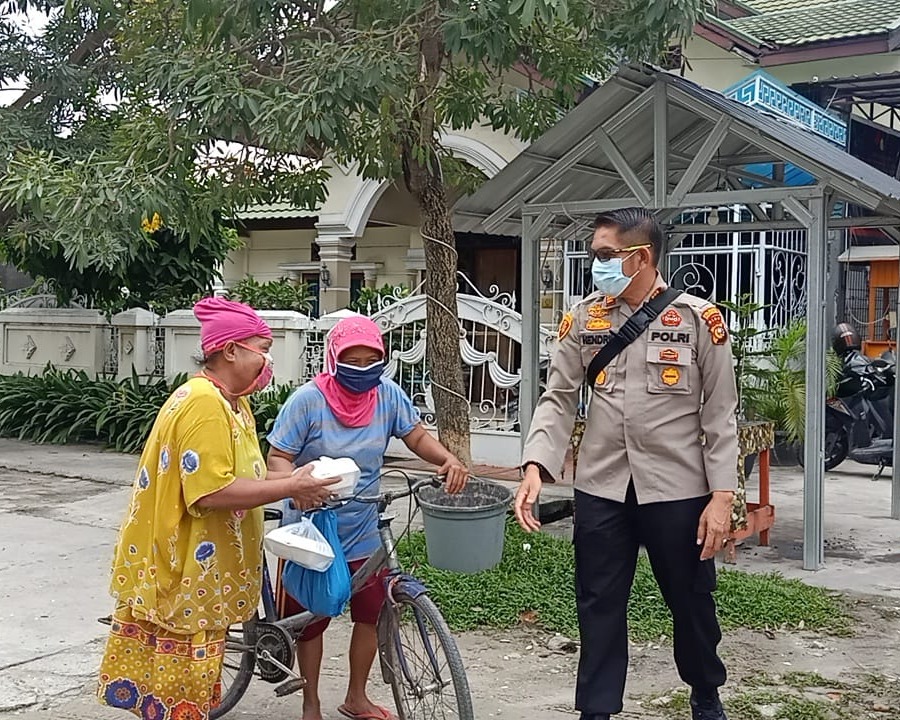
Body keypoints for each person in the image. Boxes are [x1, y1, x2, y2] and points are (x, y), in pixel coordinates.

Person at [513, 208, 739, 720]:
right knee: (598, 603)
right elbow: (558, 398)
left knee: (691, 601)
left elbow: (721, 415)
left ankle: (705, 690)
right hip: (603, 485)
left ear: (640, 258)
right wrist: (535, 466)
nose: (596, 266)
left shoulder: (700, 321)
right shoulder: (584, 318)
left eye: (604, 256)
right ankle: (596, 710)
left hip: (678, 489)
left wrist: (721, 498)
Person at [97, 297, 339, 720]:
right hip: (186, 571)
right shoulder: (203, 404)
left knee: (193, 689)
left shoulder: (233, 402)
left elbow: (247, 473)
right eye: (262, 350)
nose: (267, 362)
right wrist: (288, 486)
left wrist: (297, 484)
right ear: (230, 350)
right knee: (180, 696)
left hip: (206, 575)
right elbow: (210, 492)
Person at [266, 315, 469, 720]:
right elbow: (277, 458)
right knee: (312, 620)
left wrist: (446, 458)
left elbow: (415, 436)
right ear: (333, 358)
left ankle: (356, 696)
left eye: (370, 360)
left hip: (365, 525)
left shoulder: (388, 395)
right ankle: (311, 703)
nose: (362, 369)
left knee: (371, 611)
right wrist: (295, 487)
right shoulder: (307, 401)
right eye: (351, 360)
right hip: (312, 530)